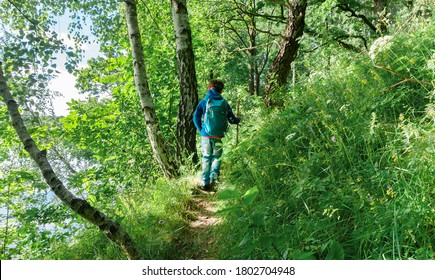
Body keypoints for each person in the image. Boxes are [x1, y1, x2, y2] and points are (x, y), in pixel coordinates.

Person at [193, 79, 240, 191]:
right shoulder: (224, 102)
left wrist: (201, 130)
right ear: (221, 90)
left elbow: (196, 118)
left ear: (210, 87)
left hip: (206, 135)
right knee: (217, 157)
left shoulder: (204, 101)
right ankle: (214, 180)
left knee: (206, 157)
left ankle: (205, 182)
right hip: (218, 135)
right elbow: (232, 119)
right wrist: (238, 120)